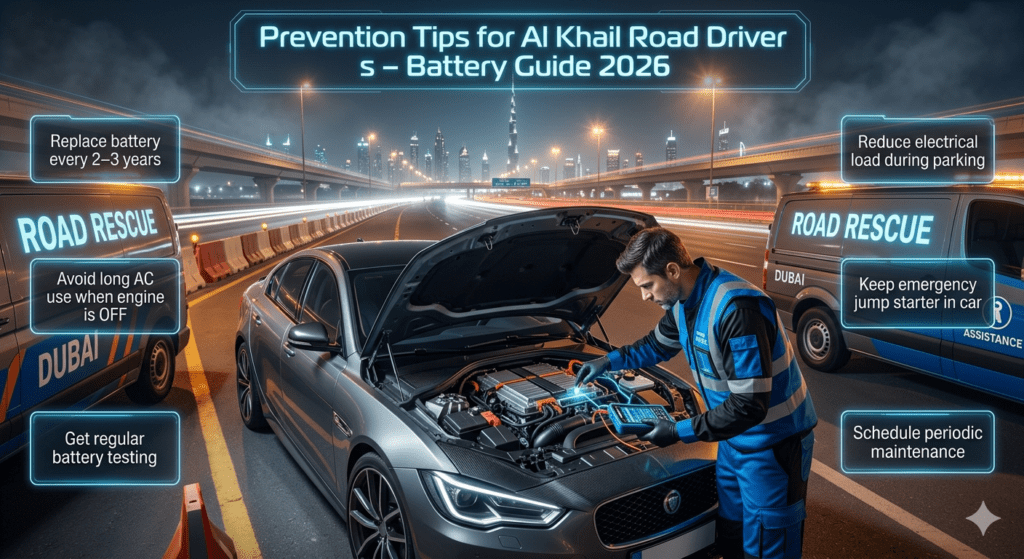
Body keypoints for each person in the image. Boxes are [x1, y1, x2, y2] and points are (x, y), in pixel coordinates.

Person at [576, 227, 816, 559]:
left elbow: (749, 405)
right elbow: (655, 346)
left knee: (768, 545)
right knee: (731, 533)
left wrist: (677, 431)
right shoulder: (681, 302)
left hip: (771, 444)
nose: (645, 296)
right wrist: (607, 361)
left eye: (647, 285)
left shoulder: (736, 310)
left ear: (672, 270)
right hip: (732, 440)